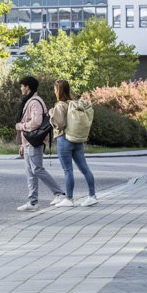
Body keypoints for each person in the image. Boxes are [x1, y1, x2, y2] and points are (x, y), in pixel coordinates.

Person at [15, 76, 64, 211]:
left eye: (22, 85)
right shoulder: (29, 101)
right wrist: (22, 144)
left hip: (35, 142)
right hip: (28, 142)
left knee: (37, 169)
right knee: (30, 172)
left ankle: (59, 193)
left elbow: (36, 122)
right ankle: (33, 202)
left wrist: (21, 126)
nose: (21, 88)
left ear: (27, 87)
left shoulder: (35, 102)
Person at [50, 79, 99, 207]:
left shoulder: (60, 105)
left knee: (68, 170)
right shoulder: (73, 103)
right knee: (84, 168)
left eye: (55, 89)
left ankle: (69, 199)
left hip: (64, 139)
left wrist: (51, 115)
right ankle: (92, 196)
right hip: (77, 140)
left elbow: (60, 125)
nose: (54, 91)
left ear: (58, 90)